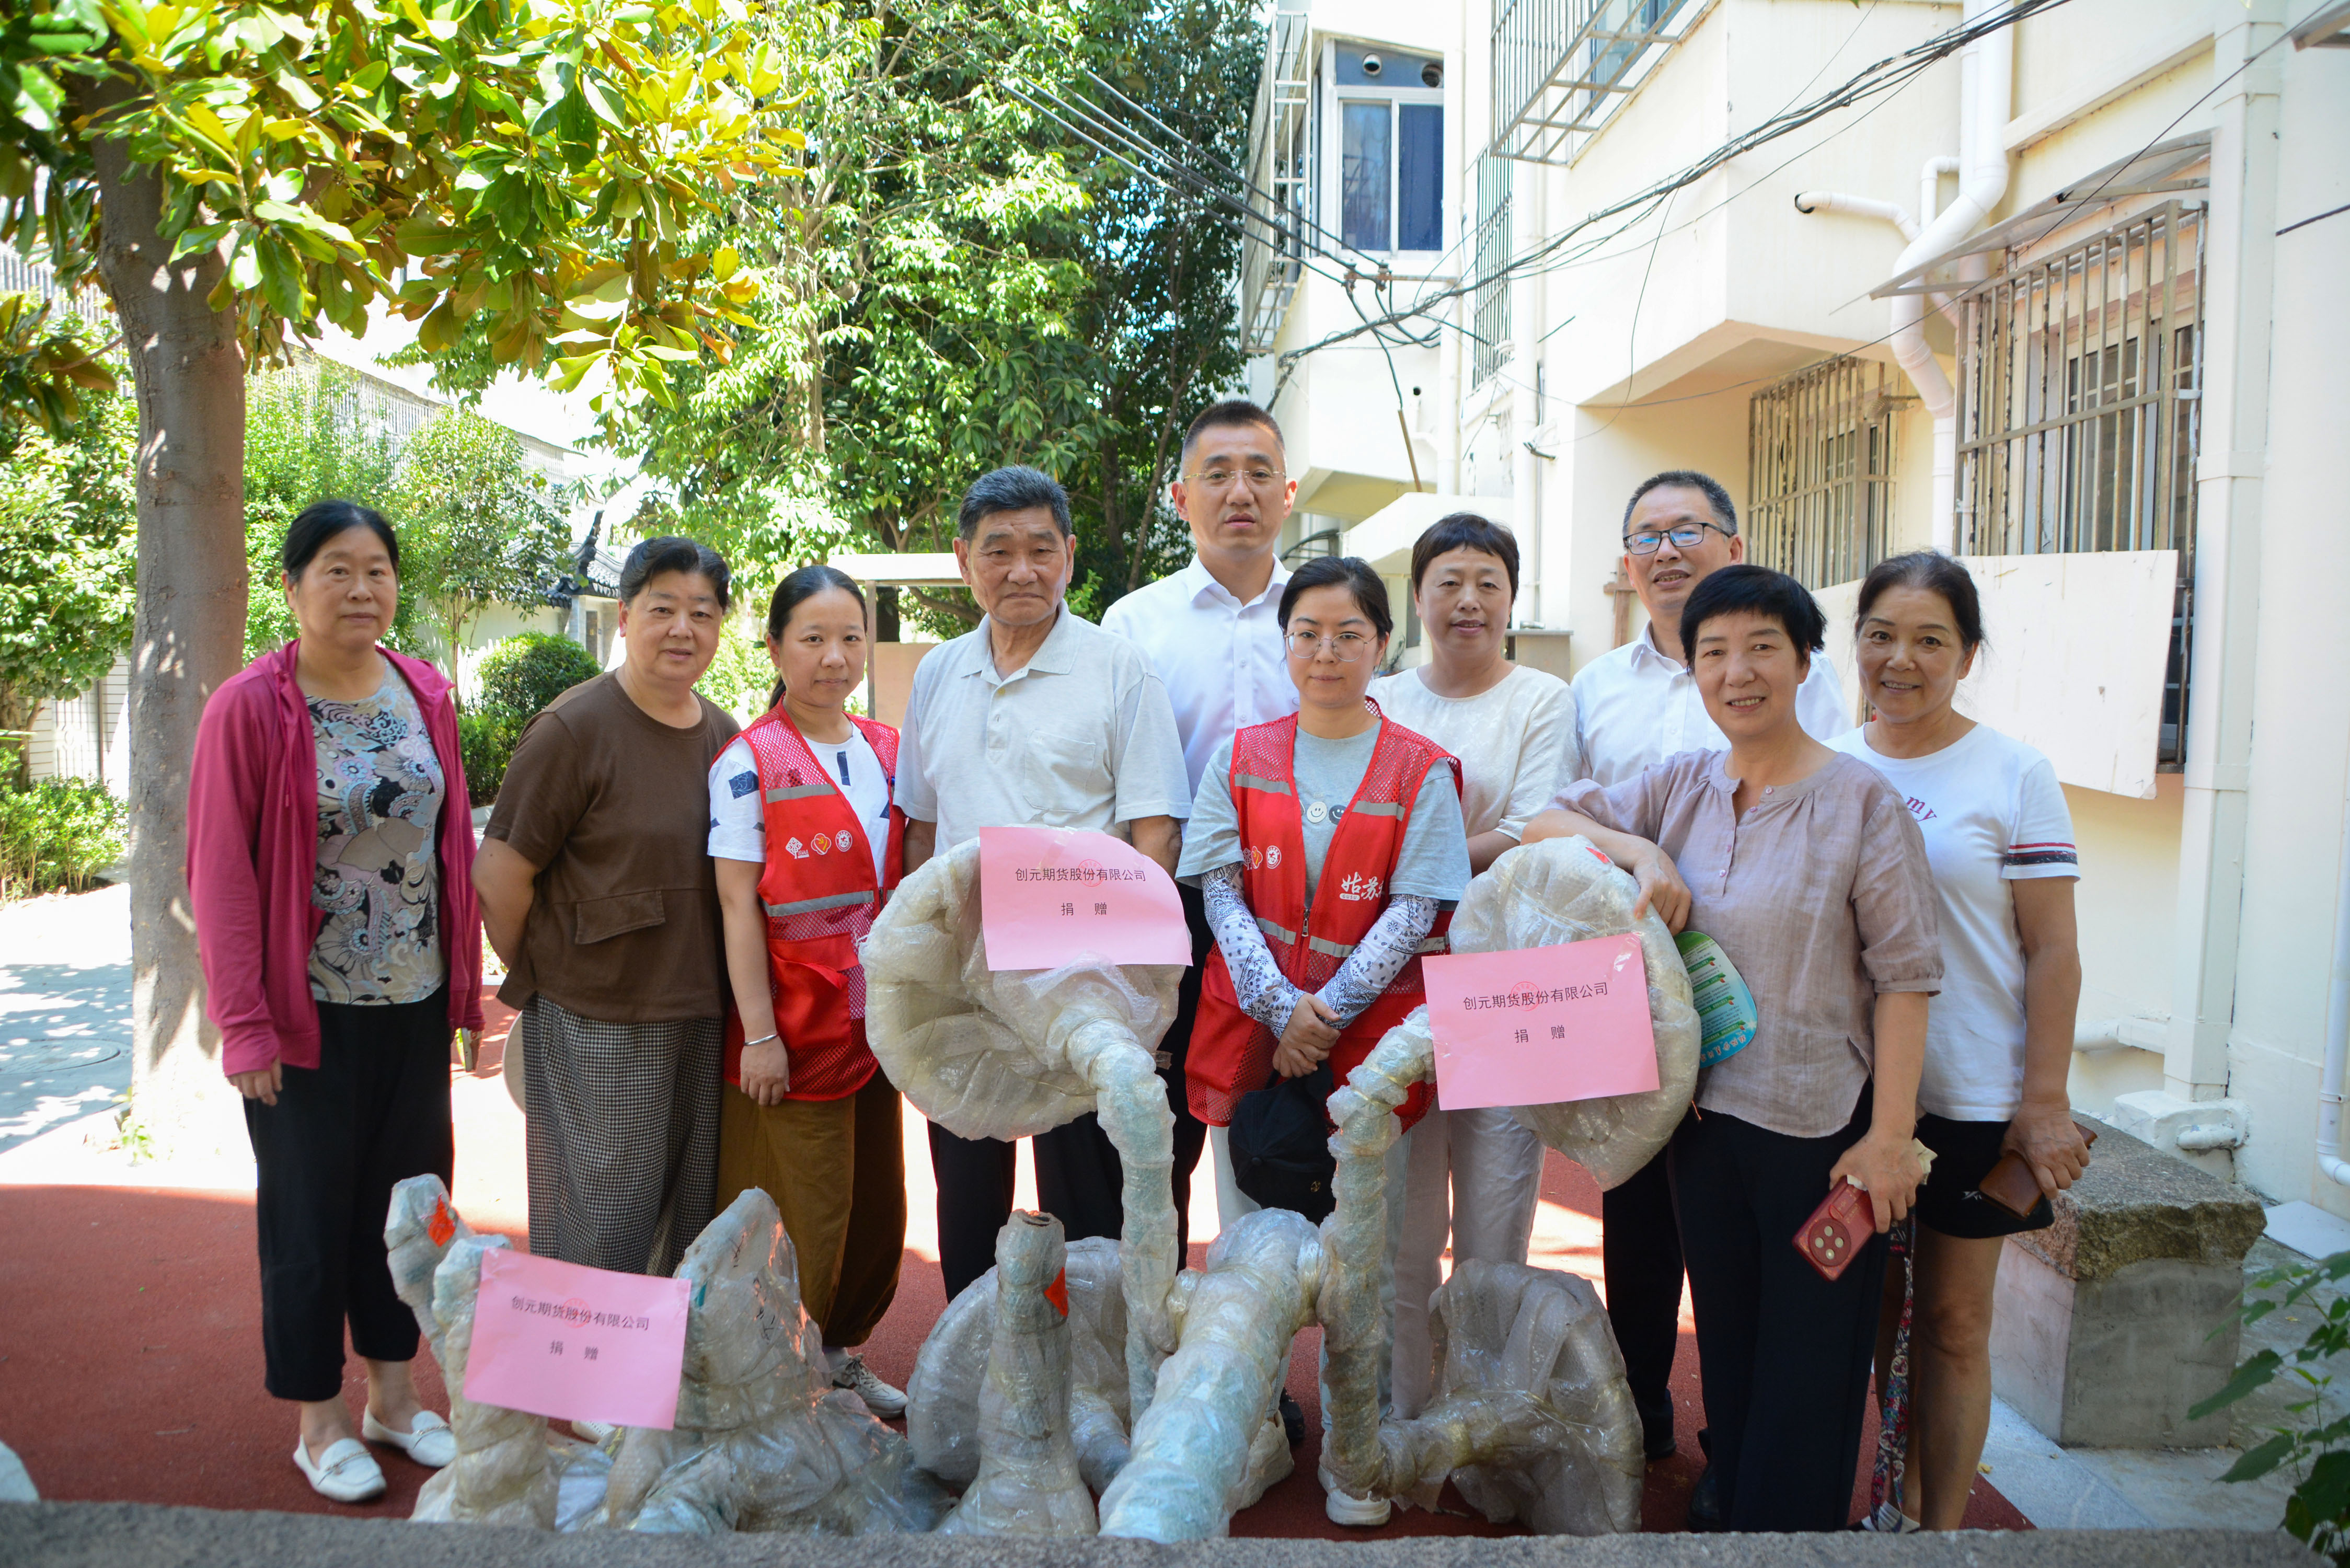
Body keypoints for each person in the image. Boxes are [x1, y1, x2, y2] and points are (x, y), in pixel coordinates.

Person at [1524, 563, 1941, 1532]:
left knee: (1811, 1362)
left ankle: (1786, 1533)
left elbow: (1907, 978)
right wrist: (1643, 851)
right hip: (1702, 1125)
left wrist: (1887, 1142)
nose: (1736, 672)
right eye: (1713, 651)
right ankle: (1736, 1512)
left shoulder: (1862, 804)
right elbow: (1542, 823)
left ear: (1804, 662)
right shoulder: (1684, 784)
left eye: (1761, 648)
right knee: (1731, 1341)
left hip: (1818, 1134)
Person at [188, 501, 481, 1502]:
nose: (362, 589)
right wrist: (245, 1026)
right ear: (292, 586)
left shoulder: (424, 690)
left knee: (411, 1211)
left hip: (414, 1001)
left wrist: (464, 990)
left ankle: (394, 1399)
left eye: (378, 570)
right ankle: (318, 1422)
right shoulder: (249, 707)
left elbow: (450, 844)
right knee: (310, 1218)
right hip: (303, 1013)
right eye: (337, 570)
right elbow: (221, 874)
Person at [1569, 470, 1854, 1470]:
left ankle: (1744, 1454)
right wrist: (1643, 854)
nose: (1666, 550)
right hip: (1637, 997)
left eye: (1687, 529)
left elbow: (1835, 810)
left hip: (1781, 1009)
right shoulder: (1597, 688)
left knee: (1753, 1247)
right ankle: (1641, 1407)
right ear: (1627, 562)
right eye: (1646, 535)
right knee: (1638, 1212)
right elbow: (1568, 822)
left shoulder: (1810, 686)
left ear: (1733, 546)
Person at [1181, 554, 1471, 1527]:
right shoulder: (1241, 755)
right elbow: (1220, 889)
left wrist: (1326, 1014)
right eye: (1307, 632)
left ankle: (1361, 1451)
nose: (1327, 651)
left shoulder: (1420, 767)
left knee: (1371, 1260)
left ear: (1382, 644)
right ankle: (1258, 1430)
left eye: (1350, 634)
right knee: (1246, 1250)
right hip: (1252, 1036)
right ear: (1285, 644)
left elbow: (1417, 908)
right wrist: (1279, 1008)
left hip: (1371, 1050)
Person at [1826, 551, 2089, 1532]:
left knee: (1952, 1320)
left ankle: (1941, 1531)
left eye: (1930, 640)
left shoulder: (2013, 772)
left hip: (1972, 1095)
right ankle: (1893, 1503)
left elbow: (2053, 950)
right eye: (1881, 635)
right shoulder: (1828, 764)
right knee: (1875, 1310)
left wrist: (2044, 1100)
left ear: (1968, 656)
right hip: (1854, 1096)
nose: (1901, 659)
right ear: (1855, 644)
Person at [896, 465, 1191, 1303]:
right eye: (998, 551)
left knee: (1087, 1197)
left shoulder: (1119, 669)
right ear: (964, 562)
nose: (1021, 570)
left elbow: (1156, 835)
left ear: (1069, 555)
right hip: (966, 983)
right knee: (968, 1194)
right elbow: (921, 827)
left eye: (1040, 550)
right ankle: (971, 1356)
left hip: (1083, 986)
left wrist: (1135, 990)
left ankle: (1095, 1365)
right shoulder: (938, 674)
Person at [474, 538, 740, 1301]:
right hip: (600, 1015)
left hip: (700, 1011)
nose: (683, 629)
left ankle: (663, 1370)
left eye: (702, 613)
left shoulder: (725, 737)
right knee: (602, 1220)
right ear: (624, 617)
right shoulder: (574, 728)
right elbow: (499, 876)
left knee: (688, 1218)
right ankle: (582, 1374)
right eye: (663, 609)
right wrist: (553, 975)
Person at [1366, 512, 1577, 1421]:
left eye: (1488, 583)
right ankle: (1402, 1422)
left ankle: (1486, 1430)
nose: (1468, 601)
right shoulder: (1379, 698)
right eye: (1448, 582)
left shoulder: (1543, 699)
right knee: (1403, 1237)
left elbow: (1533, 829)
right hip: (1394, 990)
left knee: (1496, 1231)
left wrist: (1408, 862)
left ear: (1512, 600)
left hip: (1502, 987)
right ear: (1416, 597)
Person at [707, 564, 912, 1419]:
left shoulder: (890, 748)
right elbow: (736, 905)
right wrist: (760, 1034)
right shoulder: (748, 762)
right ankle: (780, 1388)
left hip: (879, 1023)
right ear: (775, 648)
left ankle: (836, 1354)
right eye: (814, 639)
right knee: (807, 1209)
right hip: (794, 1028)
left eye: (851, 638)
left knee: (877, 1208)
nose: (835, 658)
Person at [1100, 398, 1300, 1256]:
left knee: (1280, 1134)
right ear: (1181, 497)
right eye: (1216, 474)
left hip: (1298, 907)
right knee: (1163, 1134)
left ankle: (1263, 1324)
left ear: (1288, 493)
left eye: (1258, 473)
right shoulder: (1133, 624)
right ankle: (1160, 1319)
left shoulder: (1325, 613)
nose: (1239, 492)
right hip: (1170, 903)